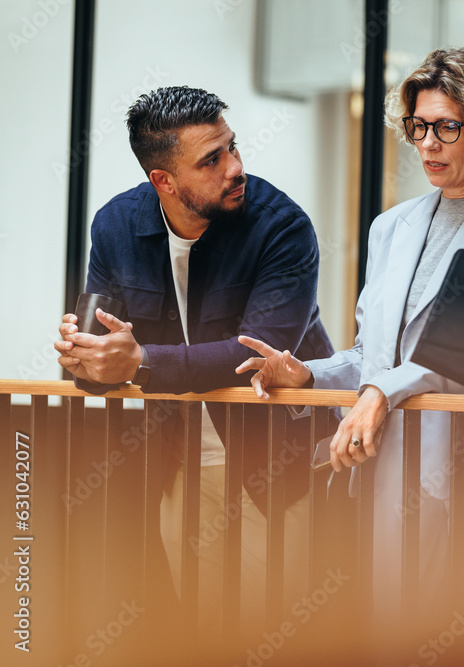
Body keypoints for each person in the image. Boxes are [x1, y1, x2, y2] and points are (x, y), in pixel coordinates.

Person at [237, 47, 464, 629]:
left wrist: (383, 393)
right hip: (393, 467)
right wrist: (308, 373)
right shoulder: (392, 226)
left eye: (446, 127)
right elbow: (372, 355)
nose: (428, 144)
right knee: (396, 634)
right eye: (418, 126)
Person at [54, 85, 335, 635]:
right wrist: (83, 355)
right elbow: (95, 366)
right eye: (211, 159)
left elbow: (255, 355)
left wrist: (135, 363)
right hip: (179, 459)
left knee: (276, 628)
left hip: (277, 456)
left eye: (232, 147)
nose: (235, 167)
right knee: (202, 626)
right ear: (164, 180)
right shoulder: (115, 227)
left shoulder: (282, 226)